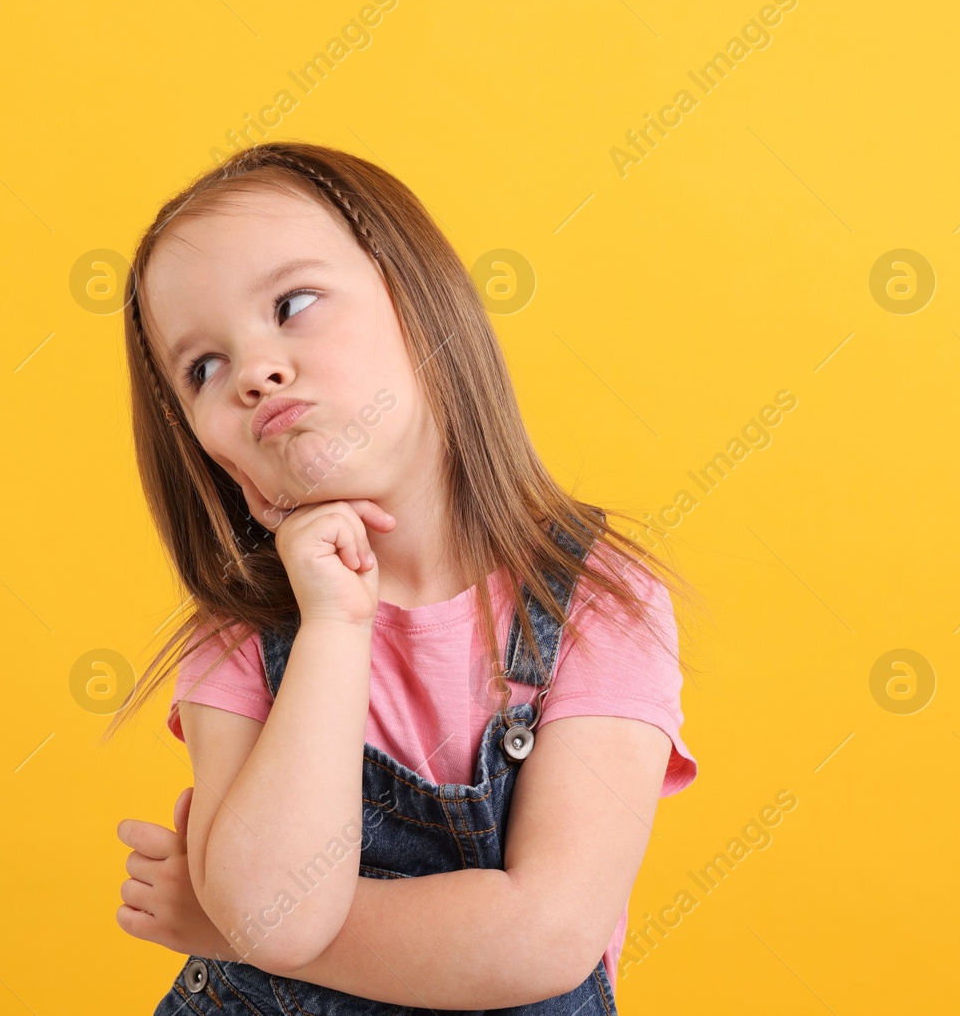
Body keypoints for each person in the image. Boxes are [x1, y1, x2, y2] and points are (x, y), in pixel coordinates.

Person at [105, 140, 701, 1013]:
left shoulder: (600, 607)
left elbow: (544, 936)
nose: (256, 373)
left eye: (294, 303)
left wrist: (226, 924)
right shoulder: (239, 638)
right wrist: (336, 624)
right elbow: (273, 905)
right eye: (204, 367)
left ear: (418, 304)